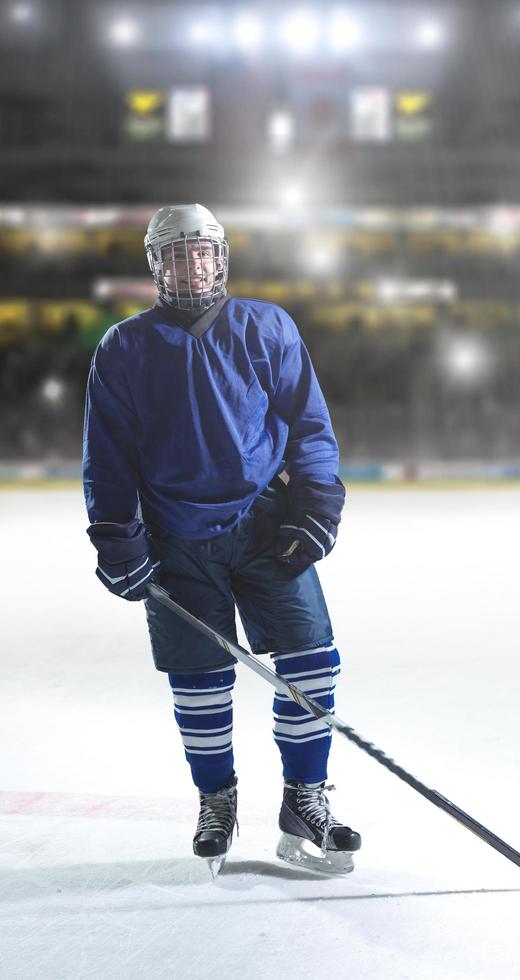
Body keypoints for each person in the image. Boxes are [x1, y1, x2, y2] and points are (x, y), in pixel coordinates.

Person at [82, 203, 361, 876]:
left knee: (312, 660)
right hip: (175, 538)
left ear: (221, 256)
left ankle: (304, 801)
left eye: (201, 251)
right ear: (156, 265)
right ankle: (216, 799)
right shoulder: (123, 347)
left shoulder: (268, 327)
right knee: (199, 680)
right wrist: (119, 539)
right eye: (176, 254)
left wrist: (316, 501)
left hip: (268, 528)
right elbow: (108, 458)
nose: (191, 264)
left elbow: (309, 427)